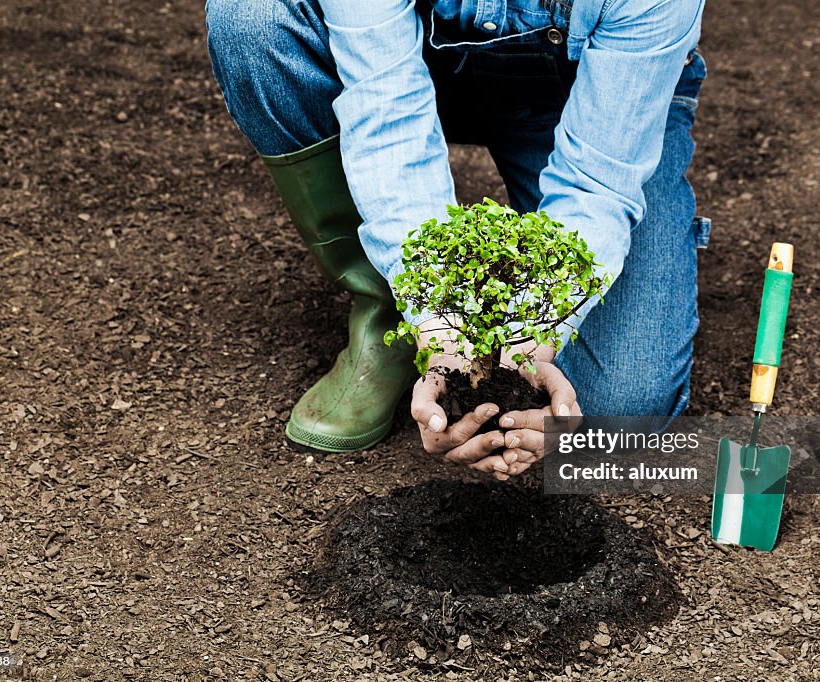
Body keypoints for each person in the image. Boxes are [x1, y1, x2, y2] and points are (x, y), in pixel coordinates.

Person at [205, 0, 710, 479]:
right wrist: (437, 319)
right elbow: (387, 114)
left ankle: (496, 301)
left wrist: (528, 340)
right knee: (251, 18)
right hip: (416, 63)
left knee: (620, 411)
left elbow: (596, 182)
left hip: (587, 90)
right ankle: (389, 315)